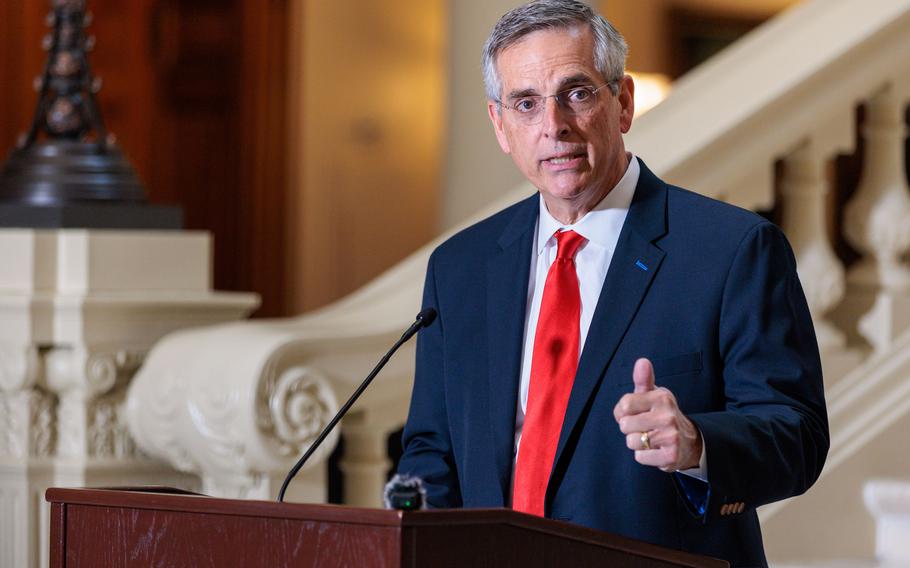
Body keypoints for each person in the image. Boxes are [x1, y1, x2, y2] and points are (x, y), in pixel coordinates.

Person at [397, 1, 829, 566]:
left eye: (577, 93)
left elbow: (796, 436)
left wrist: (697, 443)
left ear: (622, 103)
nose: (554, 125)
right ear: (500, 126)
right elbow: (432, 451)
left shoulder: (731, 250)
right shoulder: (459, 267)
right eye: (526, 104)